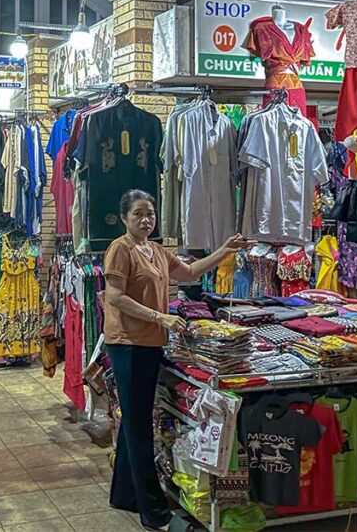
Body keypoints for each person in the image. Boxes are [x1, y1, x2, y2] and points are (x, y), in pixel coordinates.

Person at [103, 189, 254, 530]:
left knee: (134, 420)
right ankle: (154, 514)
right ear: (125, 217)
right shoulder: (120, 249)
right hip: (128, 345)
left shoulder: (156, 250)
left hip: (150, 345)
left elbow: (188, 273)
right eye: (139, 214)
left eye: (150, 213)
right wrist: (161, 318)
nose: (146, 219)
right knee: (140, 427)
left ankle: (124, 494)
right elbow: (115, 297)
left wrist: (224, 251)